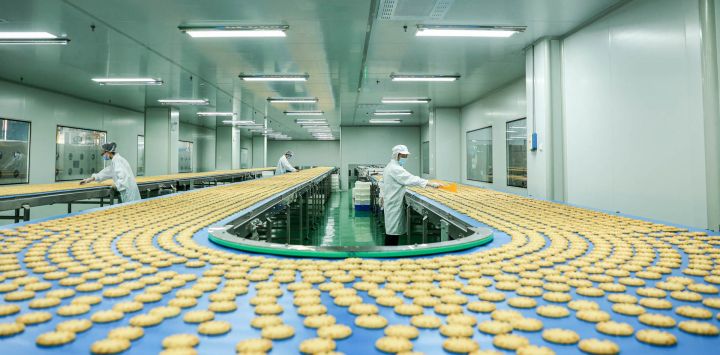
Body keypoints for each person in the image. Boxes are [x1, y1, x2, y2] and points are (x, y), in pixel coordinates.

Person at [381, 145, 441, 246]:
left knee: (392, 231)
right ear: (397, 155)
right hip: (393, 203)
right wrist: (429, 183)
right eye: (404, 156)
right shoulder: (395, 168)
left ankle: (390, 252)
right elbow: (410, 179)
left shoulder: (392, 166)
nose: (405, 158)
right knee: (392, 233)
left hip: (392, 201)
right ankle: (389, 253)